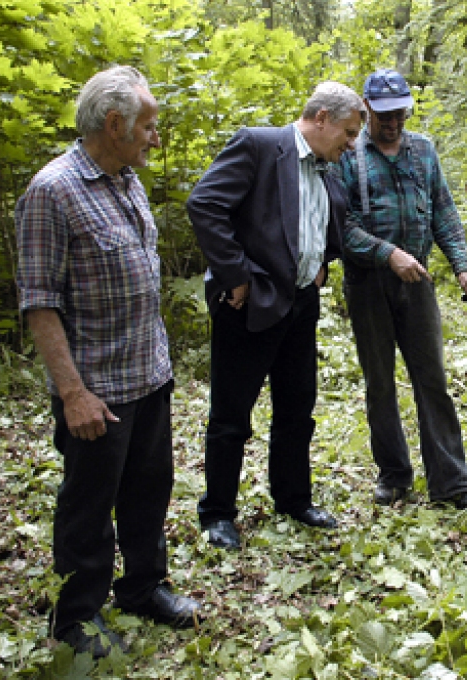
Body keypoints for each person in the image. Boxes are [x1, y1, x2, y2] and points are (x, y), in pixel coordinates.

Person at [15, 65, 201, 659]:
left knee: (149, 492)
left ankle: (143, 588)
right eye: (148, 126)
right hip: (96, 390)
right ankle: (76, 620)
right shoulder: (52, 191)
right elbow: (39, 303)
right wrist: (73, 394)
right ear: (115, 124)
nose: (155, 137)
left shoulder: (126, 180)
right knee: (88, 509)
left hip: (149, 375)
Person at [187, 82, 365, 549]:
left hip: (301, 303)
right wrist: (235, 275)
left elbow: (324, 220)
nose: (352, 144)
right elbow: (205, 204)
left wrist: (323, 262)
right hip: (248, 303)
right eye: (348, 132)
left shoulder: (327, 167)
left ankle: (293, 499)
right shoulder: (260, 145)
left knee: (296, 408)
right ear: (321, 118)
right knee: (231, 414)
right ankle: (218, 513)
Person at [337, 68, 467, 515]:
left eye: (400, 114)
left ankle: (452, 486)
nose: (393, 122)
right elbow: (341, 226)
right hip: (368, 283)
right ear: (367, 109)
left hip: (419, 282)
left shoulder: (424, 151)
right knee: (380, 383)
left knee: (433, 381)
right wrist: (388, 254)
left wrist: (462, 268)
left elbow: (443, 211)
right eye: (384, 115)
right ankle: (394, 477)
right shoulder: (349, 155)